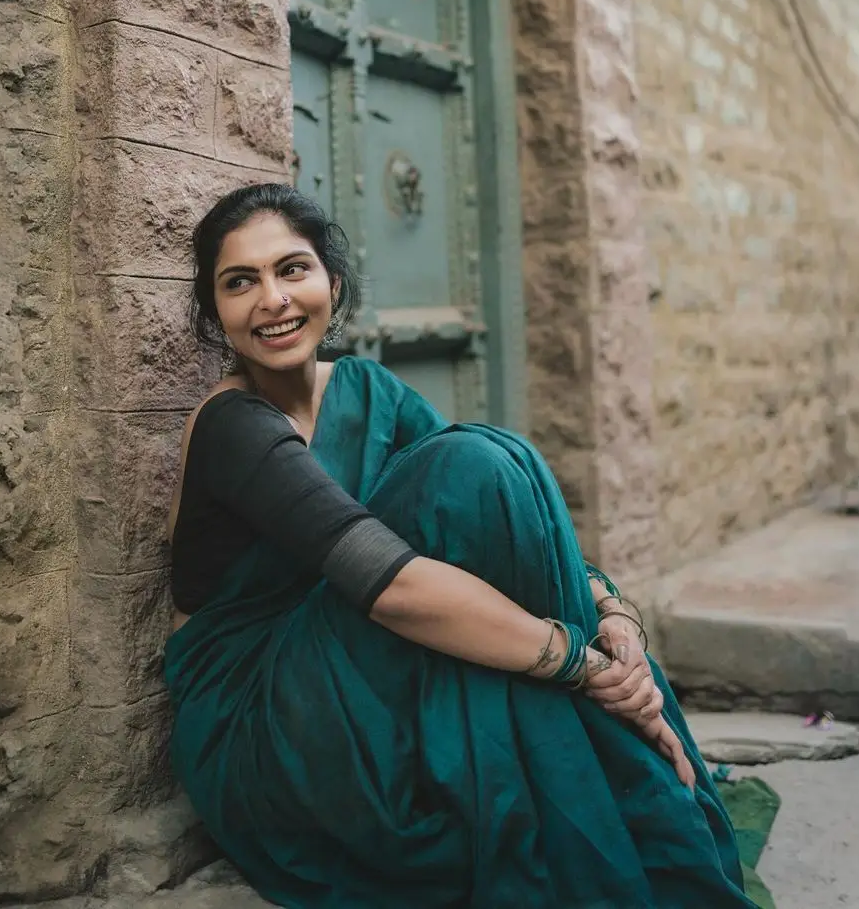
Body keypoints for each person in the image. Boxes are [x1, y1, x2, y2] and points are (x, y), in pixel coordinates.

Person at [164, 183, 755, 908]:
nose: (272, 299)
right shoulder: (235, 426)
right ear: (215, 312)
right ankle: (629, 789)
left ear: (331, 283)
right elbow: (389, 581)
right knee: (467, 472)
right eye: (239, 282)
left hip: (356, 658)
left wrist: (615, 623)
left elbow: (505, 517)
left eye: (292, 269)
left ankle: (624, 797)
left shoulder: (369, 390)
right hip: (262, 717)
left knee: (487, 464)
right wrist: (579, 663)